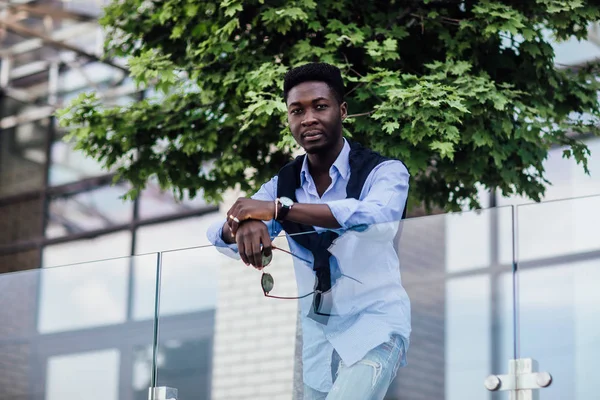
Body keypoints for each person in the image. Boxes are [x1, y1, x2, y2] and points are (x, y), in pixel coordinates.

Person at [207, 62, 411, 400]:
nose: (308, 119)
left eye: (320, 106)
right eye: (296, 111)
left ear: (342, 111)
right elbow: (218, 234)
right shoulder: (283, 183)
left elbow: (378, 218)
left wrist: (278, 210)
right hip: (318, 343)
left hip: (375, 327)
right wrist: (245, 223)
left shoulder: (384, 172)